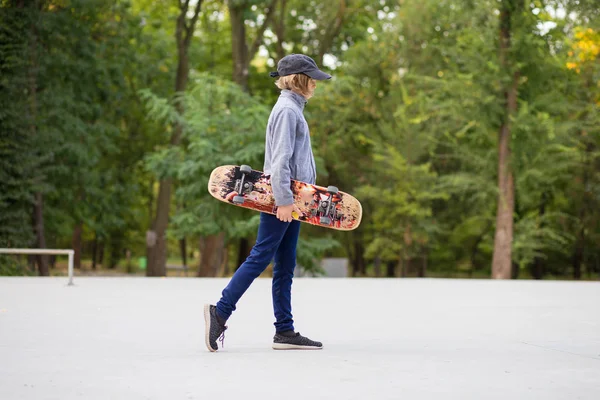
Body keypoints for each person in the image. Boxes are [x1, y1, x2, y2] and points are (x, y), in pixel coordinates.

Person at [204, 54, 331, 352]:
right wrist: (284, 202)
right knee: (261, 256)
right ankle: (220, 312)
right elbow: (280, 161)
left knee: (285, 264)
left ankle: (284, 331)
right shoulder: (288, 110)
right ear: (299, 79)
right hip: (282, 198)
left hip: (295, 200)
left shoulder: (293, 109)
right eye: (311, 77)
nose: (315, 83)